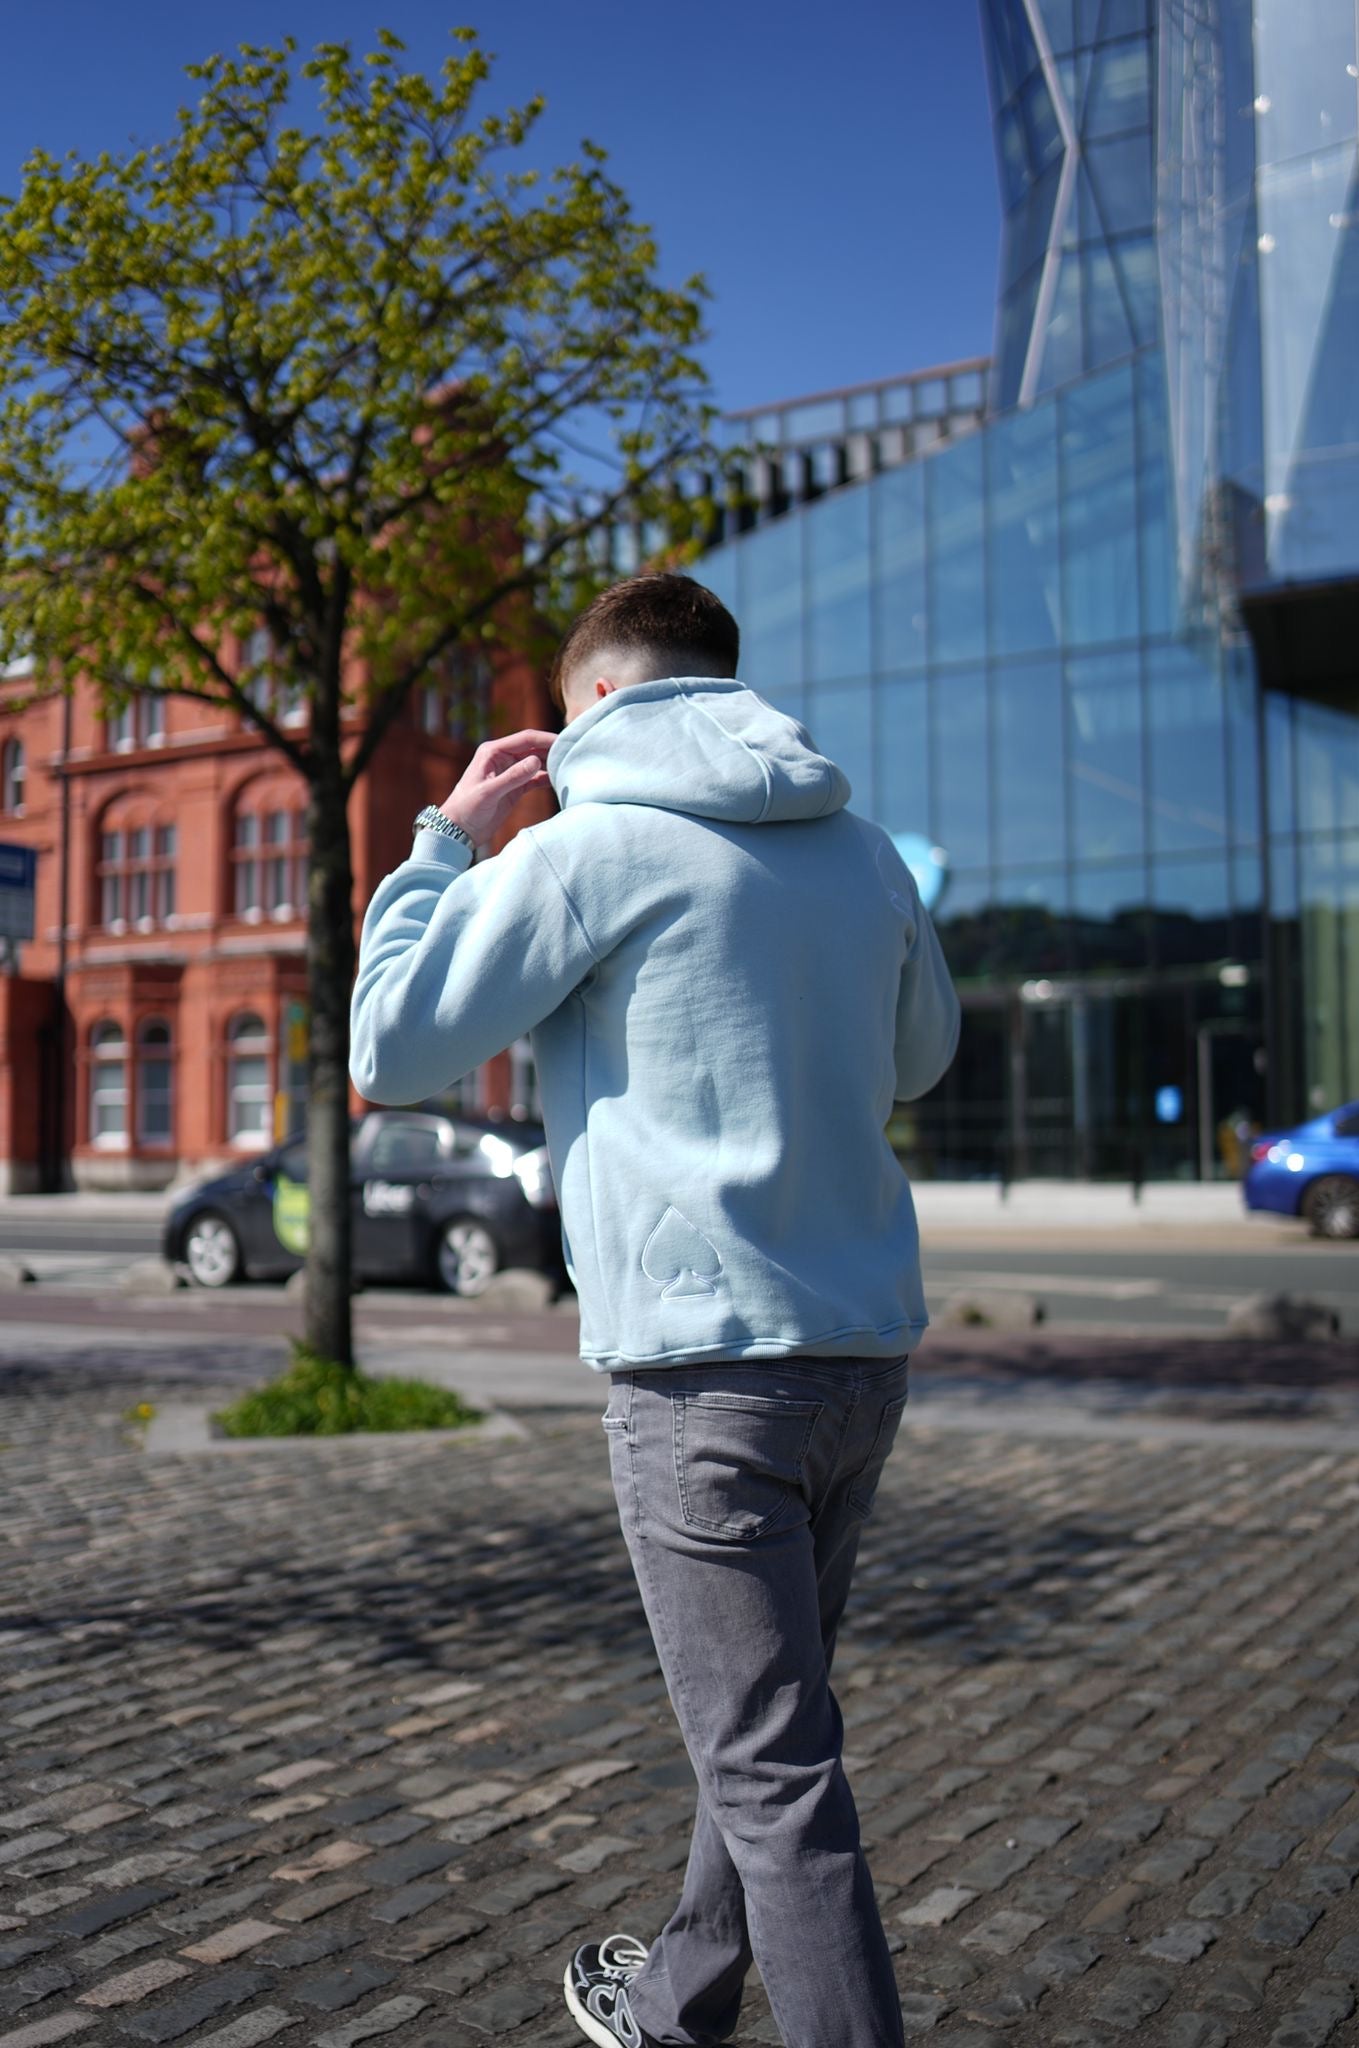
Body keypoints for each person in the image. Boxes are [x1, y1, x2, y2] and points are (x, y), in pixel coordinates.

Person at [350, 573, 960, 2048]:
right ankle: (679, 2002)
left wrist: (442, 845)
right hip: (860, 1358)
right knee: (764, 1731)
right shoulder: (864, 848)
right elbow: (922, 1058)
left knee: (772, 1775)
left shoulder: (586, 851)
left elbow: (391, 1046)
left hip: (703, 1381)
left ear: (601, 704)